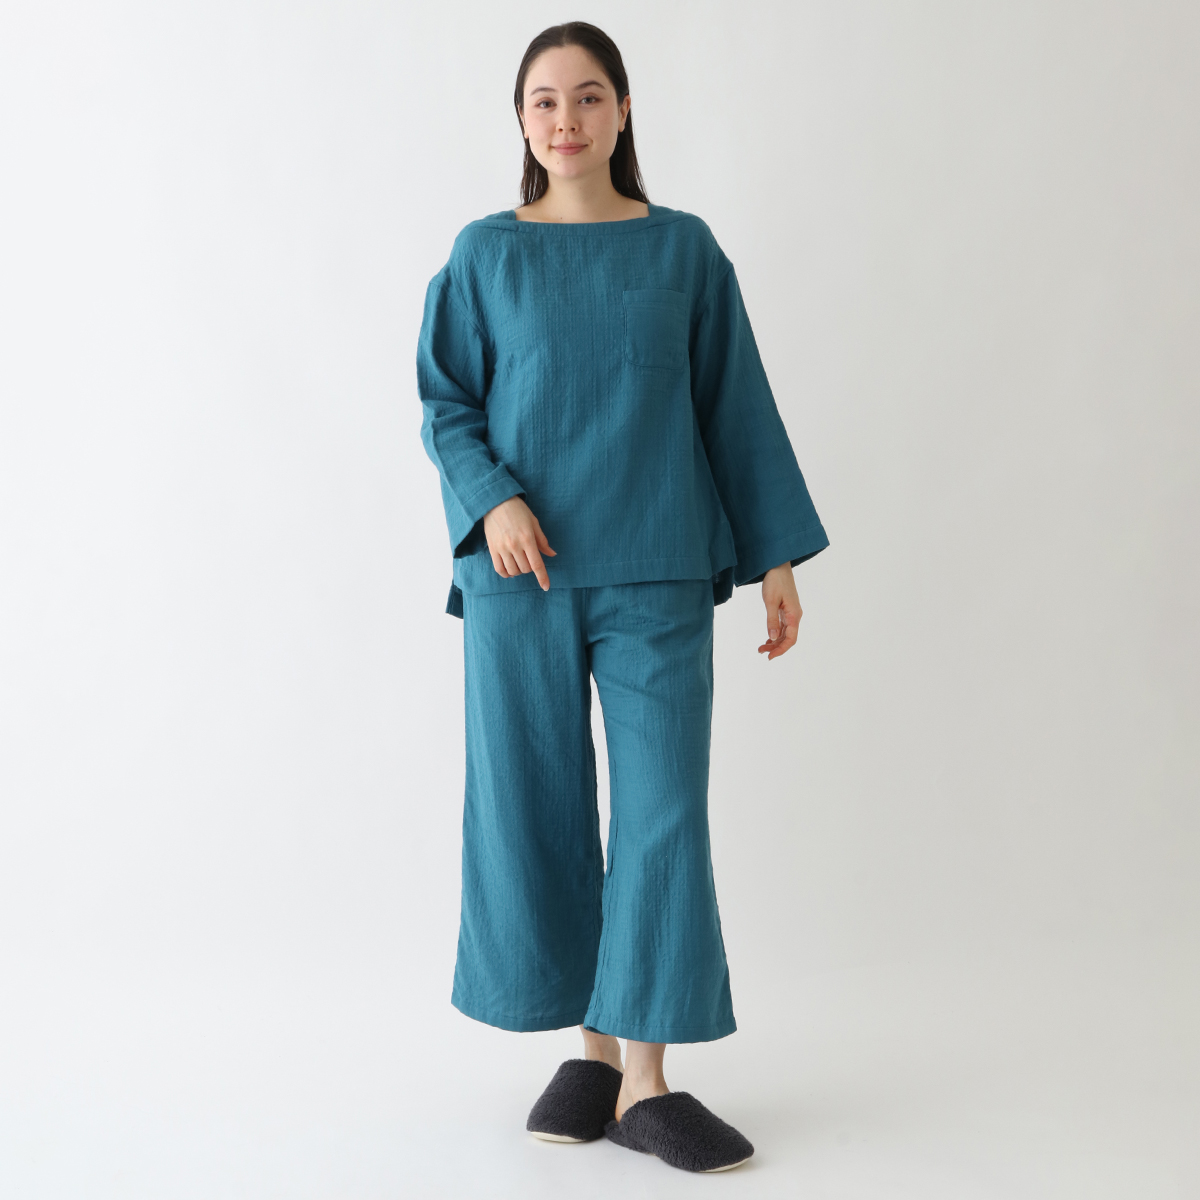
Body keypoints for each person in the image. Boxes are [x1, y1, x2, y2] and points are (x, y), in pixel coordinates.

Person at [416, 21, 828, 1174]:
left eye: (589, 97)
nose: (567, 119)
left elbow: (734, 407)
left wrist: (776, 557)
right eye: (545, 100)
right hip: (520, 578)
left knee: (660, 814)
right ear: (521, 119)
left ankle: (647, 1080)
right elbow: (446, 403)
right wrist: (493, 500)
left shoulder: (683, 251)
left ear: (624, 111)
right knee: (537, 808)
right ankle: (590, 1055)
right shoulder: (485, 254)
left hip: (656, 565)